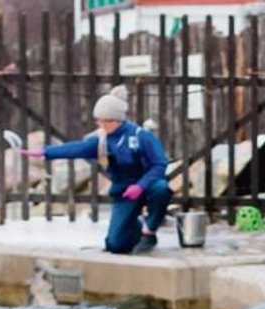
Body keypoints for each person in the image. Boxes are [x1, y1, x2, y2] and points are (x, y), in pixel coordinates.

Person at [20, 85, 171, 254]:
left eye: (108, 121)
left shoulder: (141, 136)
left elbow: (159, 165)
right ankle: (133, 227)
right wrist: (44, 152)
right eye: (99, 121)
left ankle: (149, 231)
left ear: (119, 119)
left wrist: (140, 186)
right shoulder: (101, 139)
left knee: (161, 189)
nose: (103, 125)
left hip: (147, 185)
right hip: (124, 192)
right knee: (115, 245)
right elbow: (75, 148)